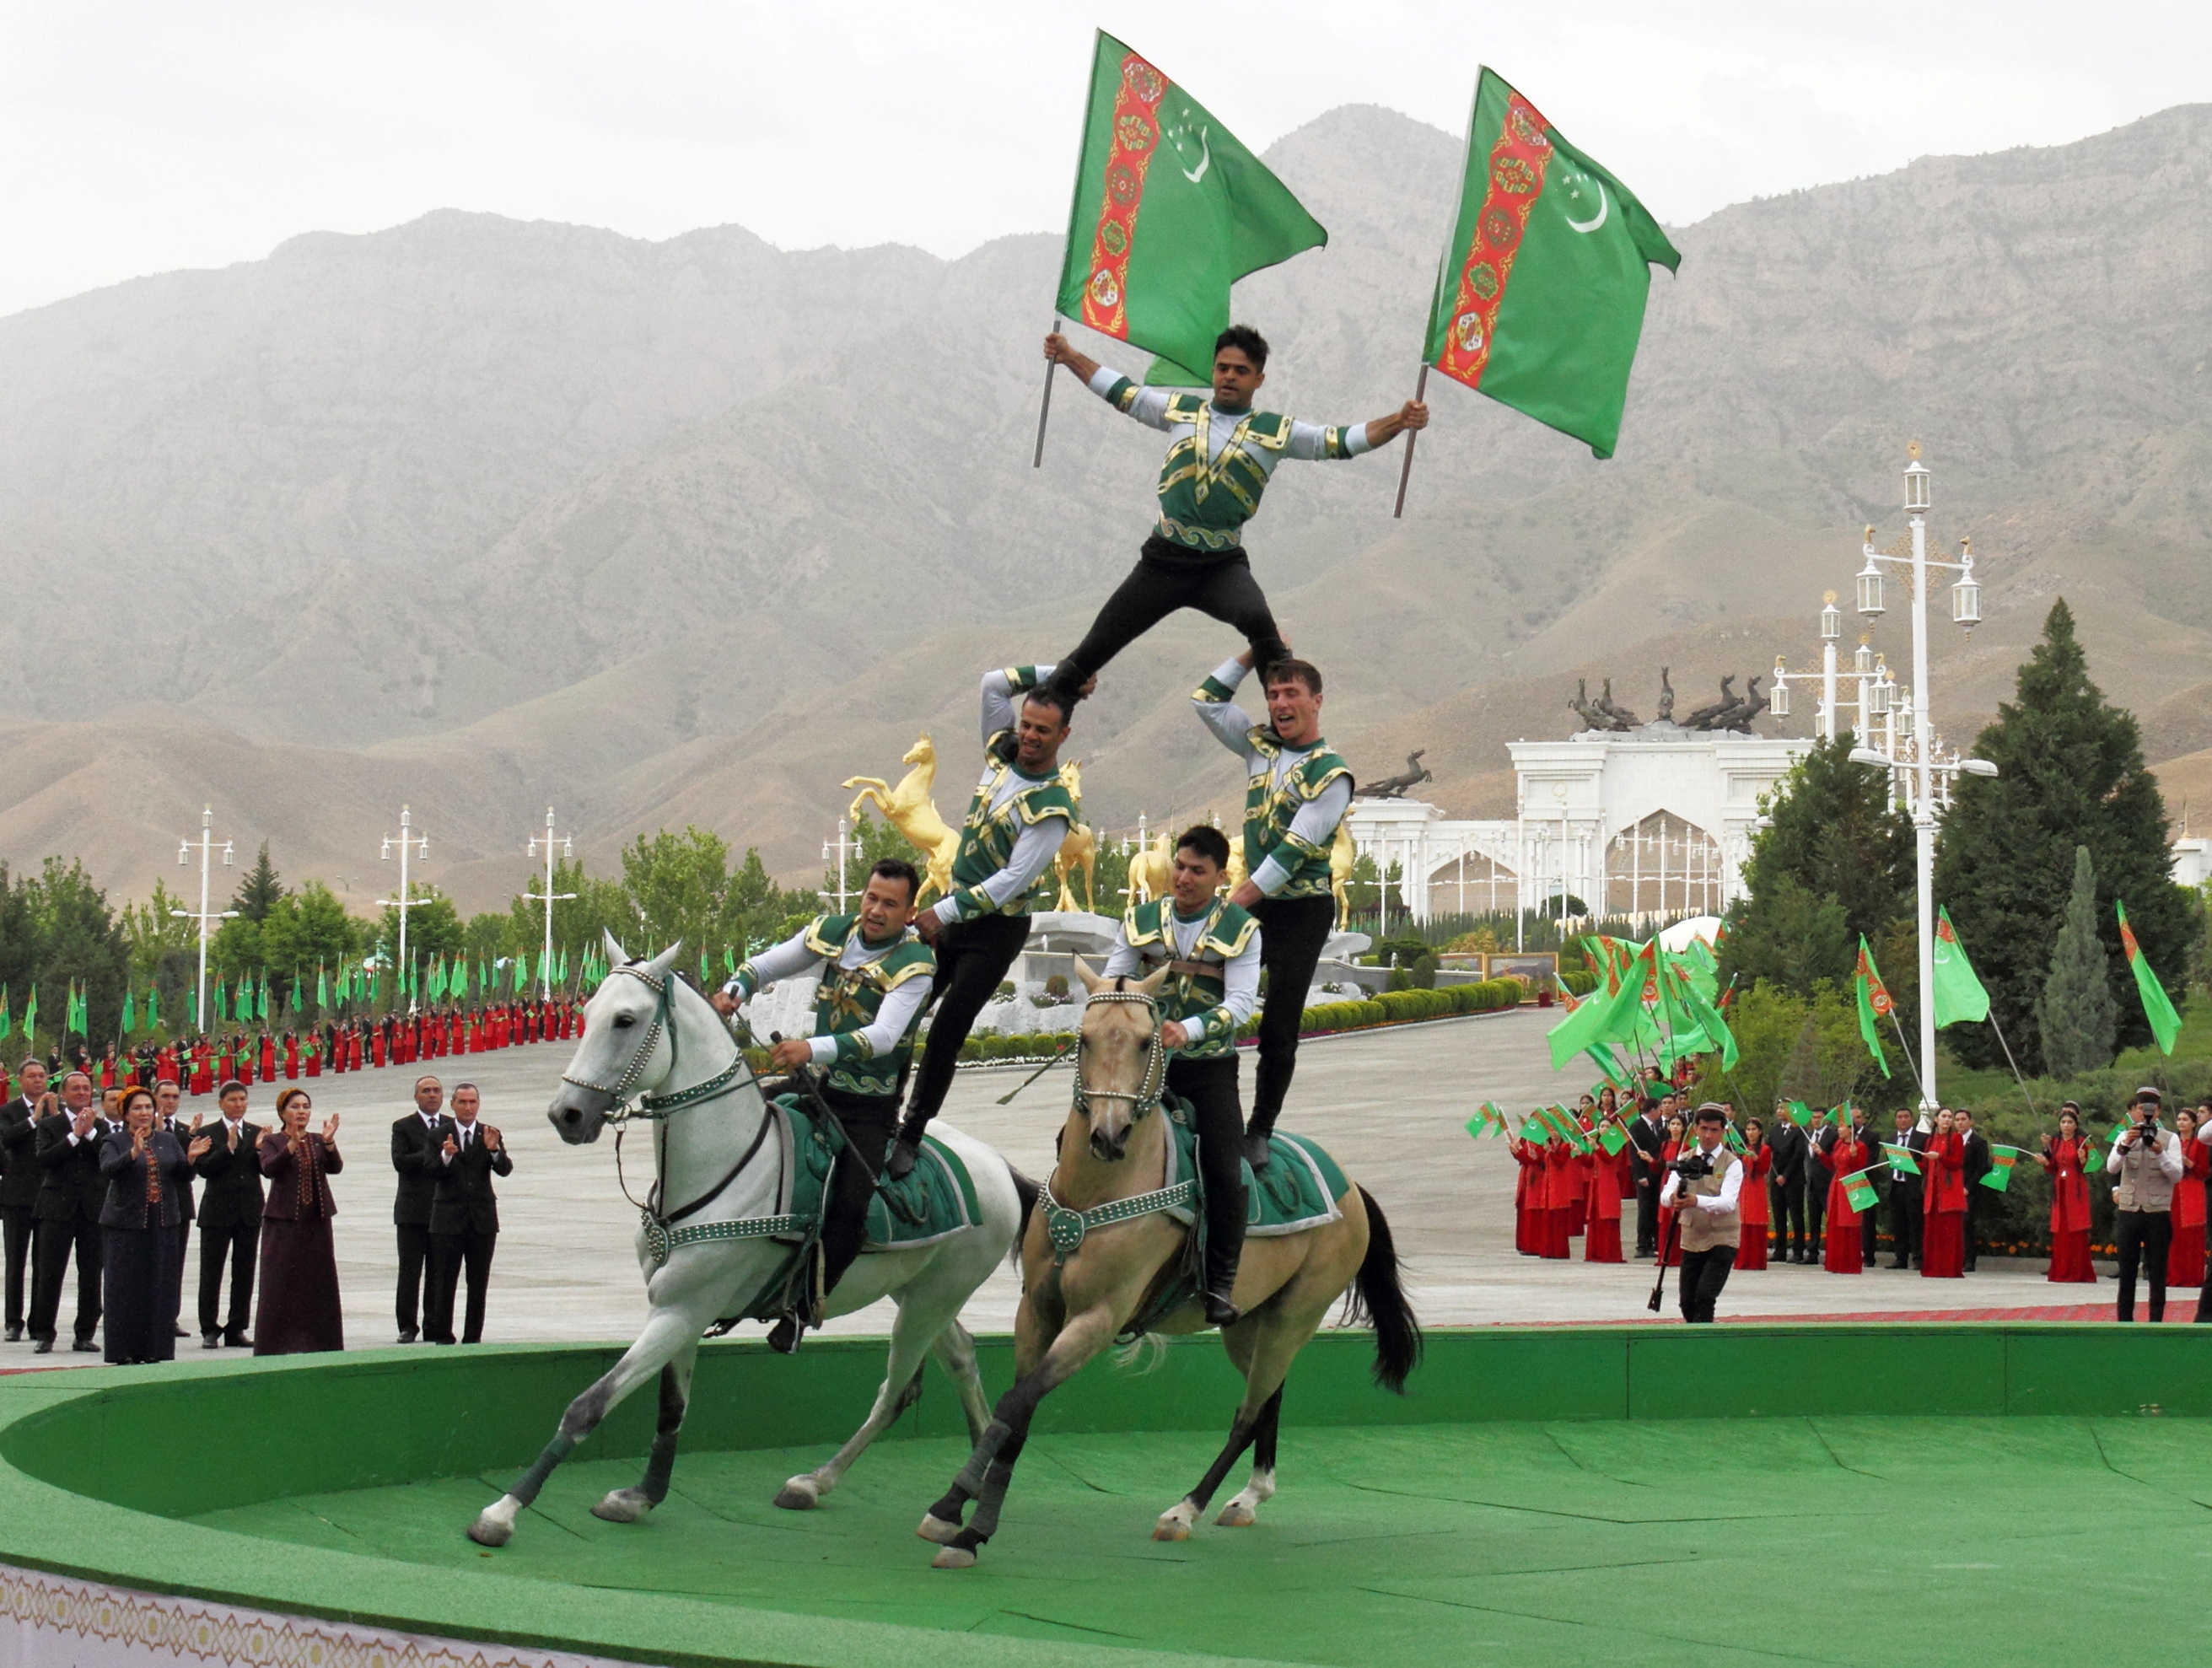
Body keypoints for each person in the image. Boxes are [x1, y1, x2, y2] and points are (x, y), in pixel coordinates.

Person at [1036, 326, 1427, 706]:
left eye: (1240, 371)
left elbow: (1340, 441)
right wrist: (1070, 356)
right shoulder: (1179, 411)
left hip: (1220, 566)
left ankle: (1289, 731)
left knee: (1262, 626)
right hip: (1162, 562)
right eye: (1222, 367)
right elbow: (1122, 391)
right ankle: (1035, 735)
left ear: (1259, 379)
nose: (1229, 377)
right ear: (1213, 371)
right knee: (1092, 650)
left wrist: (1398, 420)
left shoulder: (1276, 432)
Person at [717, 858, 936, 1352]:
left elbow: (882, 1038)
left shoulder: (916, 966)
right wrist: (736, 989)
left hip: (868, 1108)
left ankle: (799, 1314)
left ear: (909, 911)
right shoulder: (833, 933)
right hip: (815, 1088)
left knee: (851, 1210)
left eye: (889, 904)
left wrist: (807, 1049)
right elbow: (770, 962)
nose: (875, 911)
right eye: (870, 897)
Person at [896, 670, 1079, 1163]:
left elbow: (1010, 883)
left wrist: (944, 911)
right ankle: (874, 1106)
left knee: (947, 1029)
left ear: (1063, 736)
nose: (1030, 736)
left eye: (1044, 730)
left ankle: (911, 1134)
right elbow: (991, 683)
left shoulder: (1052, 807)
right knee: (900, 1007)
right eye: (1027, 724)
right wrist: (1068, 674)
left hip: (994, 929)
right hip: (951, 912)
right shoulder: (1002, 756)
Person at [1191, 650, 1352, 1165]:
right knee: (1205, 993)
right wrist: (1250, 654)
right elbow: (1207, 702)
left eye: (1291, 694)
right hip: (1254, 902)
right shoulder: (1259, 746)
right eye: (1273, 694)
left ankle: (1259, 1130)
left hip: (1300, 910)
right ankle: (1210, 1111)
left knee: (1279, 1026)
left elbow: (1292, 851)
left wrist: (1234, 902)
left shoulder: (1333, 775)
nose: (1280, 704)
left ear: (1317, 702)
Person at [1101, 825, 1262, 1323]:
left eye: (1197, 870)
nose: (1184, 877)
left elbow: (1239, 1004)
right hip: (1141, 1069)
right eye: (1180, 866)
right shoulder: (1139, 920)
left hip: (1209, 1070)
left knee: (1224, 1172)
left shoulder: (1242, 929)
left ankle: (1219, 1286)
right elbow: (1114, 981)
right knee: (1081, 1134)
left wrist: (1186, 1030)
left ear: (1220, 876)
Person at [96, 1087, 200, 1365]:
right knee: (125, 1288)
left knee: (159, 1284)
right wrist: (133, 1152)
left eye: (147, 1108)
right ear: (126, 1113)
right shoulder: (113, 1140)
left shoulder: (167, 1139)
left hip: (163, 1221)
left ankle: (156, 1348)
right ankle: (124, 1350)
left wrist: (191, 1159)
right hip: (126, 1224)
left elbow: (182, 1175)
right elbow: (108, 1169)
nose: (144, 1113)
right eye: (137, 1109)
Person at [254, 1088, 343, 1355]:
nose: (301, 1111)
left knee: (317, 1281)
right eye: (295, 1107)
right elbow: (269, 1168)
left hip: (315, 1221)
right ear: (283, 1112)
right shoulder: (272, 1141)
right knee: (281, 1281)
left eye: (306, 1106)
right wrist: (291, 1145)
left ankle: (319, 1342)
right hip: (284, 1222)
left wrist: (329, 1143)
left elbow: (335, 1167)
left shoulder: (317, 1139)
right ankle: (277, 1343)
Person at [28, 1071, 112, 1353]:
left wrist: (89, 1133)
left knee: (91, 1273)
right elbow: (44, 1158)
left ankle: (85, 1332)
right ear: (63, 1094)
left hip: (92, 1209)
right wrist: (75, 1136)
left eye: (86, 1088)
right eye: (75, 1088)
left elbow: (108, 1160)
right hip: (56, 1208)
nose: (81, 1093)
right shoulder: (50, 1125)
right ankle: (44, 1333)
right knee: (50, 1272)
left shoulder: (102, 1127)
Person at [424, 1083, 513, 1346]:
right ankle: (443, 1335)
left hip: (481, 1220)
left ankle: (473, 1337)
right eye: (462, 1102)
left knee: (478, 1283)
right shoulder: (439, 1134)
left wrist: (494, 1150)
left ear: (478, 1104)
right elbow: (430, 1171)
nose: (468, 1107)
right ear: (452, 1105)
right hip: (447, 1219)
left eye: (472, 1102)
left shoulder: (490, 1133)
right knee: (444, 1281)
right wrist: (446, 1156)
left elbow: (505, 1169)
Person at [191, 1079, 263, 1348]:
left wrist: (258, 1150)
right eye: (233, 1100)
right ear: (220, 1103)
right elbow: (205, 1169)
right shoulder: (208, 1133)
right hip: (217, 1211)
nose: (239, 1105)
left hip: (249, 1210)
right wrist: (229, 1148)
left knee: (244, 1271)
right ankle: (209, 1327)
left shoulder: (257, 1132)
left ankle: (237, 1326)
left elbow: (266, 1170)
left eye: (243, 1100)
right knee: (211, 1271)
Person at [1660, 1104, 1745, 1323]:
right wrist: (1673, 1199)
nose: (1708, 1135)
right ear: (1695, 1129)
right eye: (1704, 1128)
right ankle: (1695, 1338)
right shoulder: (1684, 1158)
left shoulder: (1732, 1163)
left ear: (1723, 1131)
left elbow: (1727, 1202)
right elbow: (1666, 1193)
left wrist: (1695, 1201)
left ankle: (1705, 1343)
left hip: (1722, 1237)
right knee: (1686, 1301)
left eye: (1714, 1130)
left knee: (1705, 1296)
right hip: (1693, 1236)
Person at [2109, 1087, 2182, 1323]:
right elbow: (2112, 1167)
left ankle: (2156, 1323)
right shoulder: (2124, 1135)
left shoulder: (2170, 1139)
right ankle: (2124, 1323)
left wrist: (2160, 1153)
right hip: (2129, 1211)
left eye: (2150, 1109)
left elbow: (2177, 1175)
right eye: (2141, 1109)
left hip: (2157, 1212)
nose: (2145, 1114)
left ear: (2158, 1112)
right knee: (2127, 1272)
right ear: (2134, 1111)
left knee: (2157, 1272)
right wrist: (2125, 1145)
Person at [390, 1075, 448, 1344]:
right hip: (412, 1211)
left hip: (443, 1210)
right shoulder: (403, 1127)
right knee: (410, 1271)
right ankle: (407, 1326)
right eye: (426, 1091)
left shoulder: (451, 1125)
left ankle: (434, 1323)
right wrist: (437, 1155)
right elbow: (400, 1161)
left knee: (438, 1271)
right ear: (416, 1097)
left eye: (436, 1091)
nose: (432, 1095)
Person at [1, 1059, 47, 1341]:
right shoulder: (10, 1111)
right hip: (17, 1197)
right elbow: (6, 1139)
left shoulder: (59, 1111)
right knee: (15, 1261)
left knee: (44, 1263)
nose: (38, 1081)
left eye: (42, 1076)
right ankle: (13, 1320)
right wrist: (34, 1119)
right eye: (31, 1076)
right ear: (20, 1080)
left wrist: (51, 1115)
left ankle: (39, 1320)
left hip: (49, 1197)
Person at [154, 1079, 197, 1335]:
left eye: (174, 1097)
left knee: (174, 1264)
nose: (170, 1101)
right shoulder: (140, 1129)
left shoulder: (186, 1131)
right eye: (165, 1096)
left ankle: (170, 1317)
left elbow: (188, 1172)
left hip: (179, 1205)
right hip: (147, 1205)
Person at [2040, 1105, 2097, 1283]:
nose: (2066, 1125)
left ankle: (2078, 1272)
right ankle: (2060, 1271)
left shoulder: (2082, 1142)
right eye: (2063, 1122)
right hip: (2060, 1189)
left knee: (2076, 1230)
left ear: (2075, 1125)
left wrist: (2082, 1160)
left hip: (2076, 1189)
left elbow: (2089, 1168)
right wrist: (2044, 1159)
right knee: (2061, 1231)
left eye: (2069, 1122)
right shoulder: (2055, 1143)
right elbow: (2052, 1168)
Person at [1920, 1109, 1968, 1278]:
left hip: (1948, 1191)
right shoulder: (1930, 1139)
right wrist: (1907, 1162)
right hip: (1933, 1192)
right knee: (1933, 1232)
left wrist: (1939, 1157)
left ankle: (1947, 1268)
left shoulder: (1955, 1138)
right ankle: (1932, 1267)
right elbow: (1926, 1166)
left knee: (1948, 1232)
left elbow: (1957, 1162)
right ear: (1936, 1120)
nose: (1947, 1120)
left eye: (1950, 1117)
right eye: (1944, 1117)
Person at [2166, 1107, 2208, 1293]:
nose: (2181, 1123)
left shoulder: (2200, 1144)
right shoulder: (2171, 1142)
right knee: (2173, 1234)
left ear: (2193, 1123)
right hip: (2174, 1190)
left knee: (2192, 1235)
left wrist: (2189, 1163)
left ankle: (2193, 1276)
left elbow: (2204, 1172)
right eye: (2179, 1119)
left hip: (2193, 1190)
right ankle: (2174, 1275)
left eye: (2185, 1120)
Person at [1823, 1115, 1870, 1273]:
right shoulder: (1838, 1144)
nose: (1838, 1129)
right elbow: (1832, 1164)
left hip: (1852, 1185)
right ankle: (1834, 1262)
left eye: (1842, 1126)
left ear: (1850, 1129)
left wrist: (1854, 1155)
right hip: (1836, 1185)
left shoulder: (1860, 1146)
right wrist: (1821, 1154)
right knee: (1835, 1222)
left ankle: (1849, 1263)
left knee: (1849, 1222)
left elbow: (1860, 1168)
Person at [1584, 1111, 1629, 1264]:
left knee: (1607, 1218)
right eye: (1601, 1126)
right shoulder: (1600, 1144)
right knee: (1596, 1217)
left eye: (1607, 1126)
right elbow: (1590, 1163)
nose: (1603, 1129)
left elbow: (1609, 1158)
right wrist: (1578, 1153)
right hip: (1597, 1184)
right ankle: (1595, 1252)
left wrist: (1596, 1147)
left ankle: (1609, 1253)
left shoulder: (1614, 1144)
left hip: (1608, 1184)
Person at [1884, 1108, 1926, 1269]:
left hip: (1913, 1187)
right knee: (1898, 1224)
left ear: (1912, 1119)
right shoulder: (1891, 1139)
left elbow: (1925, 1164)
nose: (1903, 1120)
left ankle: (1918, 1258)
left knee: (1915, 1224)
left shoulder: (1921, 1139)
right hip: (1896, 1185)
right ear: (1896, 1120)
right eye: (1899, 1117)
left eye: (1906, 1117)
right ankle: (1900, 1258)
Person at [1766, 1105, 1809, 1264]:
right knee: (1779, 1215)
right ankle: (1780, 1250)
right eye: (1777, 1108)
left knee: (1796, 1216)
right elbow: (1769, 1152)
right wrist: (1776, 1174)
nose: (1779, 1111)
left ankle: (1798, 1251)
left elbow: (1798, 1154)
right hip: (1776, 1178)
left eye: (1783, 1108)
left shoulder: (1799, 1130)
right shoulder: (1775, 1130)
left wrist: (1786, 1175)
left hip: (1793, 1179)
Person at [1627, 1093, 1666, 1258]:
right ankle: (1643, 1244)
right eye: (1659, 1110)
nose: (1661, 1113)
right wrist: (1640, 1175)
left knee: (1655, 1209)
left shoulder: (1659, 1127)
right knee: (1645, 1211)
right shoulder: (1637, 1127)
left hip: (1657, 1172)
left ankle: (1655, 1242)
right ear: (1652, 1110)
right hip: (1644, 1175)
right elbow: (1634, 1154)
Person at [1956, 1108, 1992, 1273]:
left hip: (1970, 1190)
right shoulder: (1953, 1140)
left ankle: (1969, 1260)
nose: (1960, 1122)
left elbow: (1981, 1168)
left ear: (1970, 1122)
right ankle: (1957, 1258)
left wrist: (1968, 1187)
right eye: (1957, 1120)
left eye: (1963, 1119)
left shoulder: (1978, 1142)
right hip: (1953, 1189)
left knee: (1967, 1224)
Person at [1735, 1117, 1772, 1271]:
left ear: (1760, 1132)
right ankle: (1742, 1260)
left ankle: (1756, 1261)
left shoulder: (1765, 1149)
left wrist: (1756, 1159)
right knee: (1743, 1221)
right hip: (1743, 1186)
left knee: (1756, 1220)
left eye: (1754, 1130)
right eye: (1748, 1130)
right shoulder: (1741, 1148)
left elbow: (1764, 1169)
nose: (1751, 1133)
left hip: (1757, 1186)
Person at [1653, 1111, 1687, 1267]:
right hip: (1665, 1182)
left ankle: (1676, 1257)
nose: (1675, 1127)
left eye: (1678, 1124)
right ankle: (1664, 1256)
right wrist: (1650, 1161)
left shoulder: (1686, 1146)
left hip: (1679, 1183)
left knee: (1677, 1217)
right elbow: (1660, 1166)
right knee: (1664, 1220)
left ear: (1683, 1127)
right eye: (1672, 1124)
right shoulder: (1665, 1145)